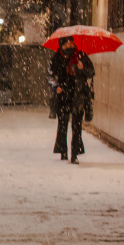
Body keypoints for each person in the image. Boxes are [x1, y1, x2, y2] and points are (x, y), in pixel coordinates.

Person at [48, 35, 94, 163]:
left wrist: (82, 68)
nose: (69, 46)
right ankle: (63, 151)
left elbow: (91, 72)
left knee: (77, 126)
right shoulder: (57, 58)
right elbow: (50, 75)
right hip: (63, 95)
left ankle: (75, 154)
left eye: (71, 43)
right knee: (62, 125)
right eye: (66, 44)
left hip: (78, 96)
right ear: (61, 45)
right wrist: (55, 86)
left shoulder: (81, 56)